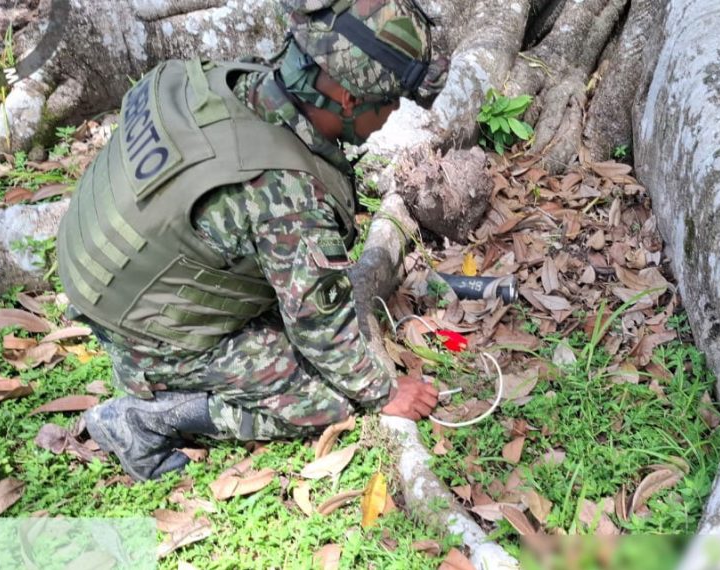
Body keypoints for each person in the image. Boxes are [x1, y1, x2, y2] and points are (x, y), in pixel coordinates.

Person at [56, 0, 447, 481]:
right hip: (148, 331)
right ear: (348, 99)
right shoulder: (285, 193)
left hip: (113, 277)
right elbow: (319, 327)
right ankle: (143, 420)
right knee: (330, 400)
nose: (389, 115)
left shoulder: (229, 82)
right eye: (389, 102)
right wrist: (383, 393)